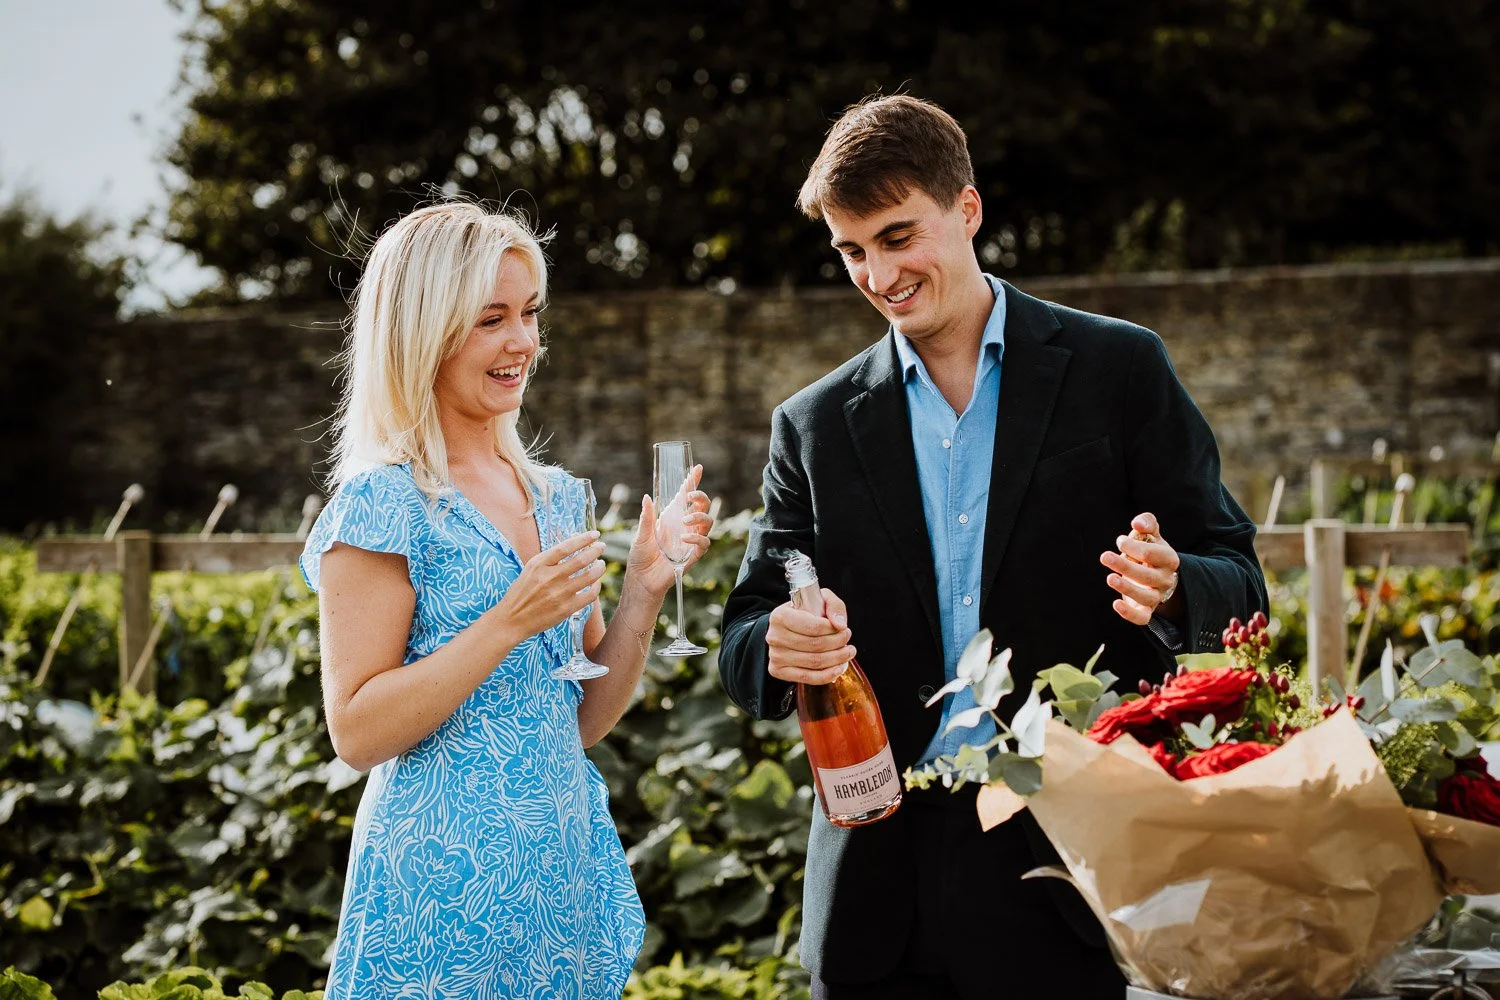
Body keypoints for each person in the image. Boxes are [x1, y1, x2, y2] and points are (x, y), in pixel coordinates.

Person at [718, 95, 1268, 999]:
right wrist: (777, 645)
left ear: (967, 210)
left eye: (899, 237)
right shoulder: (810, 426)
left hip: (1064, 867)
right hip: (871, 886)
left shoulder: (1119, 372)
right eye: (852, 250)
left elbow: (1240, 584)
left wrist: (1175, 591)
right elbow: (747, 639)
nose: (878, 274)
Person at [298, 201, 714, 999]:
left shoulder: (556, 496)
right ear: (424, 331)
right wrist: (507, 623)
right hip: (437, 898)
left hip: (555, 889)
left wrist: (643, 591)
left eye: (528, 314)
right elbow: (355, 730)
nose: (523, 341)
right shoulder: (383, 504)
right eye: (491, 319)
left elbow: (581, 720)